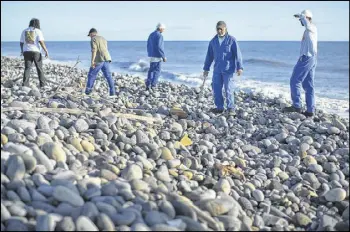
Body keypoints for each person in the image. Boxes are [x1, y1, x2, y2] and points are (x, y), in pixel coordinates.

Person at [203, 21, 243, 115]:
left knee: (228, 89)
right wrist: (206, 69)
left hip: (228, 70)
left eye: (221, 29)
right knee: (216, 88)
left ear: (225, 28)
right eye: (218, 29)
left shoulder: (232, 40)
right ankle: (219, 107)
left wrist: (239, 67)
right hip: (217, 70)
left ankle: (230, 108)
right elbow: (209, 56)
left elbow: (238, 54)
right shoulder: (213, 41)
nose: (219, 30)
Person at [284, 10, 318, 117]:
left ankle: (297, 106)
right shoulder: (309, 30)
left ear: (307, 18)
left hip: (307, 58)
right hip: (311, 58)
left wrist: (301, 15)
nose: (300, 21)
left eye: (301, 19)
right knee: (308, 85)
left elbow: (306, 22)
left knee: (295, 80)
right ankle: (310, 111)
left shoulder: (311, 27)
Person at [85, 28, 116, 96]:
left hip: (99, 59)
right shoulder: (103, 38)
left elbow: (94, 50)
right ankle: (113, 93)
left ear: (92, 33)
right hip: (107, 58)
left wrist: (92, 61)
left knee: (91, 74)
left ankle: (88, 92)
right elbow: (105, 48)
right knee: (108, 76)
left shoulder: (93, 39)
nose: (90, 37)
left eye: (90, 35)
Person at [20, 18, 49, 88]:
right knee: (39, 68)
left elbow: (21, 43)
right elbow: (41, 41)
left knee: (27, 68)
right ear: (37, 24)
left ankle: (25, 84)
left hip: (26, 51)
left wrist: (22, 51)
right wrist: (46, 50)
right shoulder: (38, 31)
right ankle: (42, 84)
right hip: (36, 51)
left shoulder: (24, 31)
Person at [146, 23, 166, 91]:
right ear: (160, 28)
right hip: (157, 55)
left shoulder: (151, 34)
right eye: (163, 29)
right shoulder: (159, 35)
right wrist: (163, 56)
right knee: (157, 71)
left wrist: (149, 53)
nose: (164, 30)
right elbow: (160, 47)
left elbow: (148, 45)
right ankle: (153, 85)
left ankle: (148, 85)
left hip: (151, 55)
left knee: (151, 70)